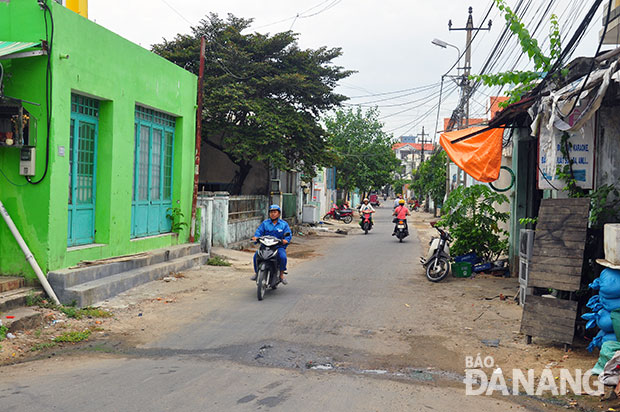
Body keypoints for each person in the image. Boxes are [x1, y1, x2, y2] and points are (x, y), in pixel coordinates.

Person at [251, 204, 292, 284]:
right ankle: (257, 273)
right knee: (256, 256)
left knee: (283, 257)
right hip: (265, 246)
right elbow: (259, 231)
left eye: (275, 212)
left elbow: (288, 234)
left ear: (278, 213)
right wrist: (256, 237)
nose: (273, 214)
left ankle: (281, 275)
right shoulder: (265, 223)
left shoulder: (284, 224)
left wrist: (286, 240)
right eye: (271, 212)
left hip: (278, 247)